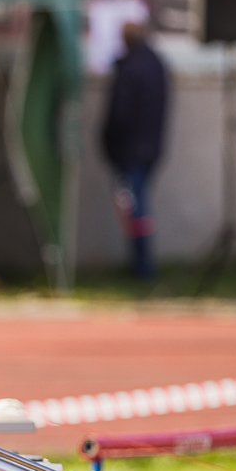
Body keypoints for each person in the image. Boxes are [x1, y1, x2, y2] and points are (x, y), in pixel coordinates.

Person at [101, 21, 168, 280]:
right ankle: (141, 263)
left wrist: (110, 144)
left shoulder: (131, 69)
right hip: (149, 148)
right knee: (137, 205)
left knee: (135, 207)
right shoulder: (155, 65)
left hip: (131, 151)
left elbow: (121, 114)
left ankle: (143, 266)